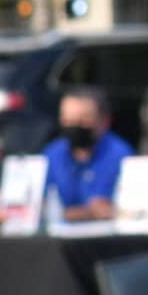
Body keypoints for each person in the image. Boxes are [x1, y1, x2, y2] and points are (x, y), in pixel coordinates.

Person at [45, 85, 135, 221]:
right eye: (68, 120)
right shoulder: (52, 154)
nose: (75, 126)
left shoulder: (121, 155)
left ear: (104, 121)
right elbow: (37, 207)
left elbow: (114, 210)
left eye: (84, 119)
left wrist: (67, 213)